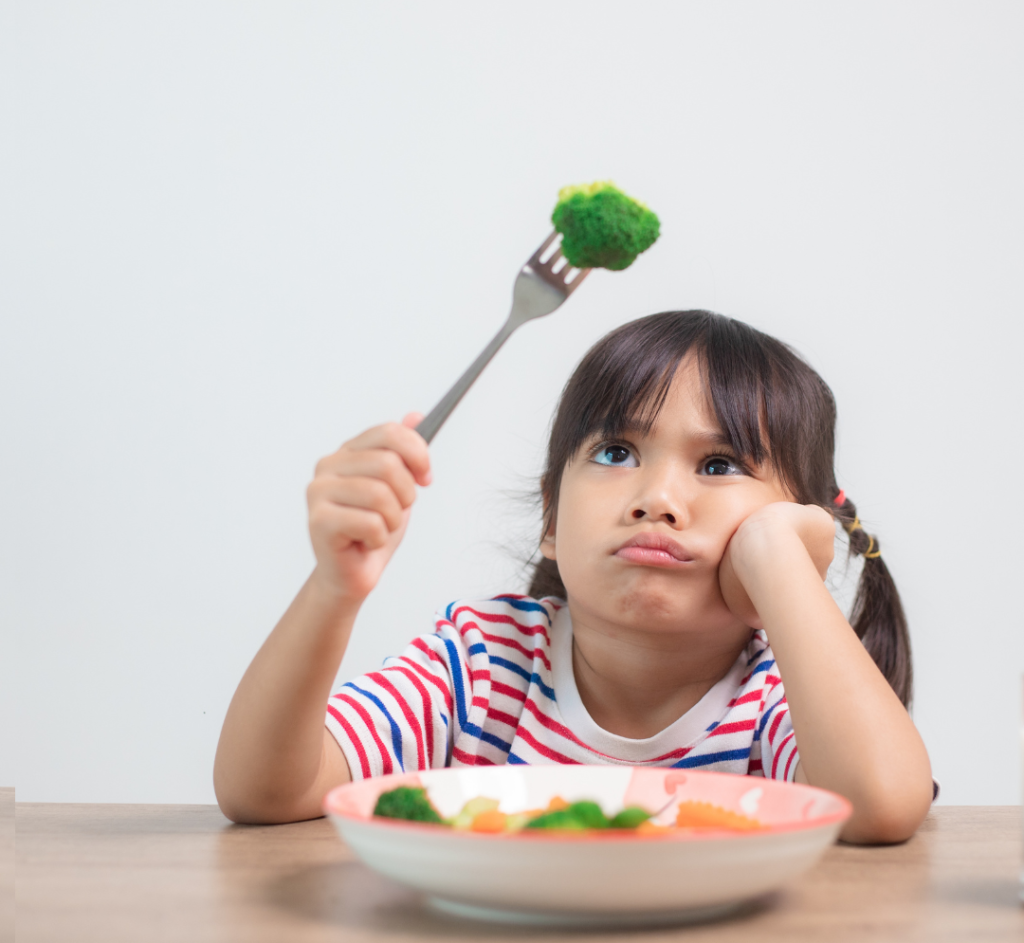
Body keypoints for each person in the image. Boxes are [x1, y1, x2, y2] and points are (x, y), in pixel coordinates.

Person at [214, 310, 934, 842]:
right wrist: (333, 591)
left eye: (719, 465)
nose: (657, 498)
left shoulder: (780, 695)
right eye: (617, 452)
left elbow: (880, 805)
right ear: (552, 518)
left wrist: (780, 562)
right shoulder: (481, 662)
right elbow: (265, 792)